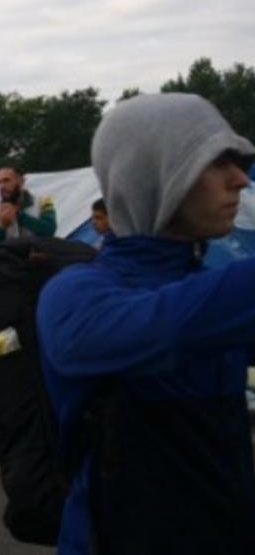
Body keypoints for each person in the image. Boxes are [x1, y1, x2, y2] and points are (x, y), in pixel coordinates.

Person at [37, 93, 255, 553]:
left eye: (238, 162)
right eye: (216, 162)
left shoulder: (212, 290)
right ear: (151, 174)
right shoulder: (76, 296)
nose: (240, 178)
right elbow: (169, 326)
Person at [0, 166, 57, 247]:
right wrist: (2, 227)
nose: (2, 186)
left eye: (6, 180)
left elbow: (49, 230)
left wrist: (19, 215)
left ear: (21, 181)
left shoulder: (42, 201)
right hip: (7, 258)